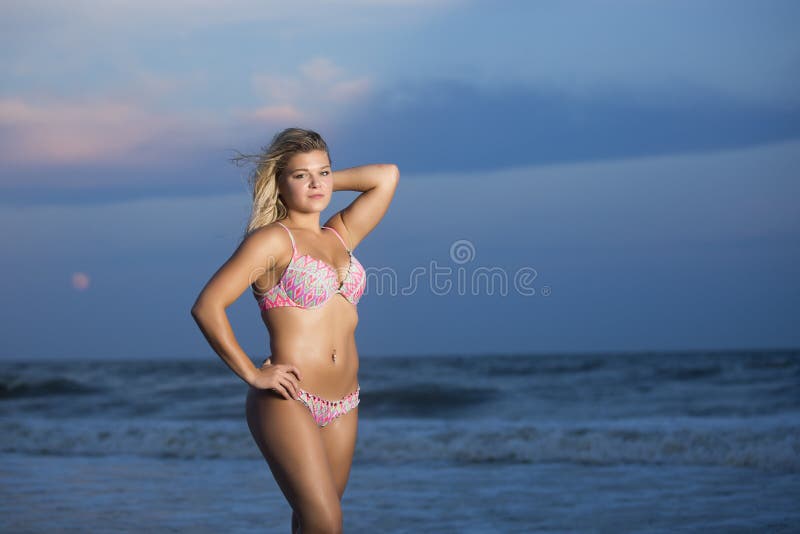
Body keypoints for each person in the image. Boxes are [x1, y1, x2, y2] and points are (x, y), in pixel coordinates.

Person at [190, 127, 399, 533]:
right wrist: (252, 373)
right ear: (279, 183)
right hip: (288, 398)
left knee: (311, 522)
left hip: (344, 403)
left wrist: (314, 180)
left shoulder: (341, 234)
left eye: (323, 172)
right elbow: (208, 306)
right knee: (327, 522)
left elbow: (386, 176)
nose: (316, 182)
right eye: (300, 175)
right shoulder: (272, 241)